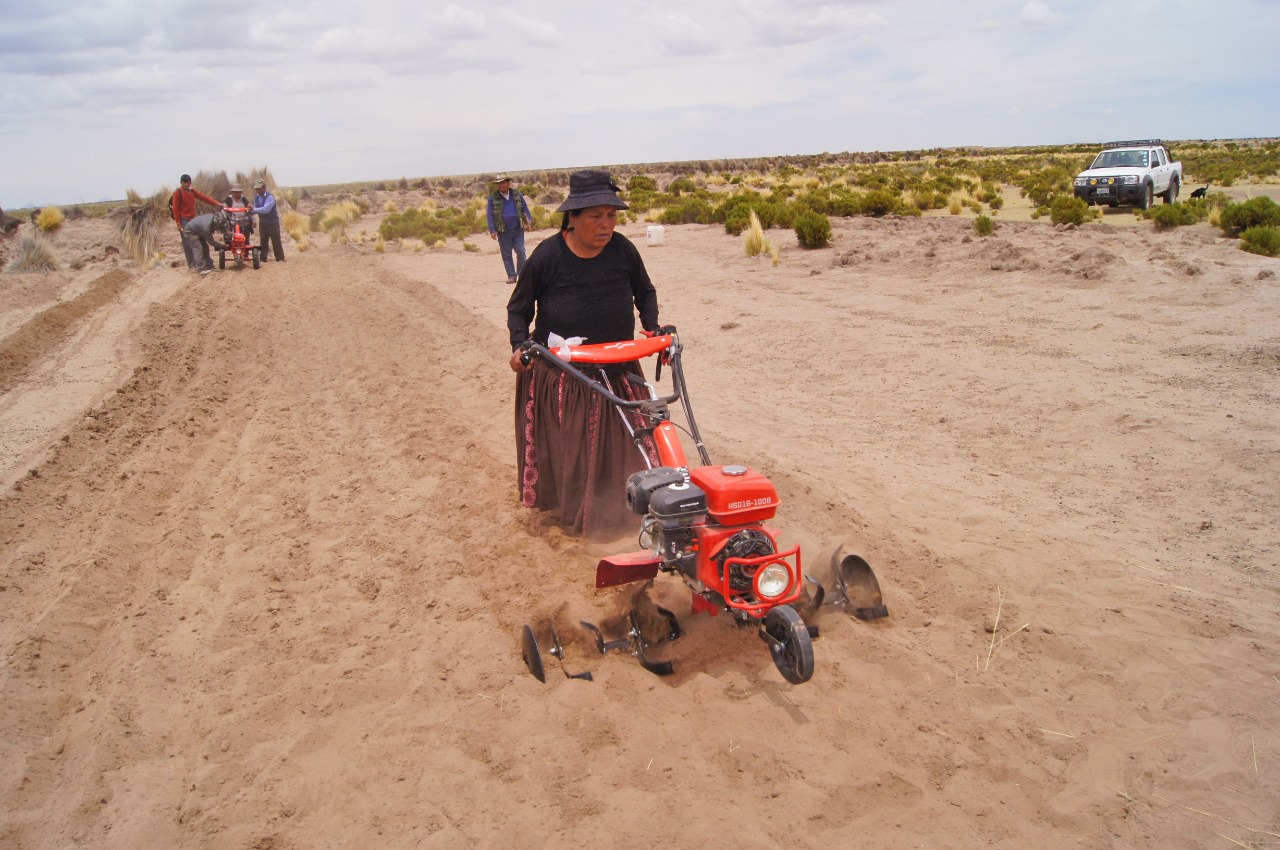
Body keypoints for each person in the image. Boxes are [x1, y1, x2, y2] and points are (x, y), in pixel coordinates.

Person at [506, 170, 662, 538]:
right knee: (574, 447)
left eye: (611, 215)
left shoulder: (624, 250)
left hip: (618, 364)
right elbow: (519, 308)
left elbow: (645, 292)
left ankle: (628, 505)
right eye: (595, 216)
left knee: (628, 439)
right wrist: (518, 345)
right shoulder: (548, 256)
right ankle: (577, 506)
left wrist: (653, 327)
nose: (606, 224)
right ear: (572, 218)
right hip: (567, 373)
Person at [486, 174, 533, 284]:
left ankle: (522, 275)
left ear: (508, 183)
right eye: (499, 183)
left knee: (521, 251)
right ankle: (512, 276)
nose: (501, 185)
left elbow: (525, 209)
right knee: (506, 255)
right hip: (503, 231)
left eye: (503, 183)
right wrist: (492, 230)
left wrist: (529, 221)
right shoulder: (493, 198)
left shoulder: (517, 194)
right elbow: (489, 215)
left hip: (517, 229)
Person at [171, 174, 221, 270]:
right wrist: (178, 223)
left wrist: (216, 203)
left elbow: (203, 197)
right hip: (183, 220)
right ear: (181, 183)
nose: (186, 184)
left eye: (188, 182)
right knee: (188, 243)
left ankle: (208, 263)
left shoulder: (192, 191)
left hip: (193, 220)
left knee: (202, 241)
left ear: (190, 183)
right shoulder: (178, 193)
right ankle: (192, 264)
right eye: (184, 182)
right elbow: (175, 209)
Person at [251, 179, 285, 262]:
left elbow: (266, 209)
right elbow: (255, 209)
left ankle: (280, 258)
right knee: (263, 240)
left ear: (264, 187)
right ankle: (263, 258)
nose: (257, 190)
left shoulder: (270, 197)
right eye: (256, 189)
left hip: (273, 222)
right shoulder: (256, 198)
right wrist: (253, 218)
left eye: (259, 188)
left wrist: (253, 210)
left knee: (276, 240)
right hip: (263, 223)